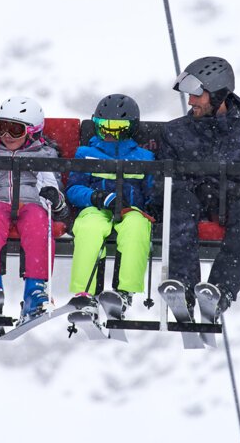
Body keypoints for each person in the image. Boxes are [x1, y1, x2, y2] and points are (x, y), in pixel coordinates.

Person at [161, 56, 240, 318]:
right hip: (192, 201)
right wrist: (194, 186)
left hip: (235, 205)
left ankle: (219, 291)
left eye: (198, 95)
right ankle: (183, 286)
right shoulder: (175, 133)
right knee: (178, 199)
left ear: (218, 94)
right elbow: (162, 184)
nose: (191, 101)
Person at [0, 96, 70, 320]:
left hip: (32, 202)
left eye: (14, 130)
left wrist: (54, 199)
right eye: (1, 128)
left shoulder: (43, 154)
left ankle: (35, 289)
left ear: (32, 130)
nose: (6, 135)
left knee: (38, 224)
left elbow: (51, 184)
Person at [65, 94, 155, 315]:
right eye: (103, 126)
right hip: (95, 208)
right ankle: (85, 293)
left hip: (131, 210)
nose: (109, 134)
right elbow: (73, 189)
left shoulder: (145, 158)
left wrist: (153, 209)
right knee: (89, 228)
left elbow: (153, 191)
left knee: (137, 228)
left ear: (130, 128)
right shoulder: (86, 154)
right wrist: (97, 197)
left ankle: (124, 292)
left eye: (118, 128)